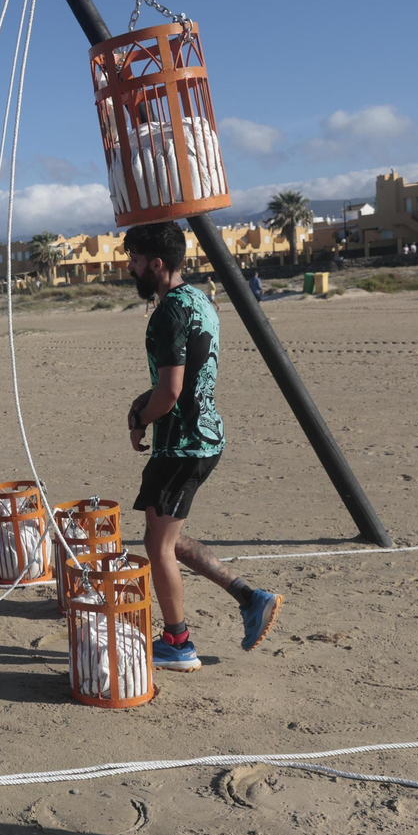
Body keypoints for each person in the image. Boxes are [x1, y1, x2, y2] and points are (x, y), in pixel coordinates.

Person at [122, 221, 282, 673]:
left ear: (156, 264)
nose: (130, 268)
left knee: (157, 545)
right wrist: (144, 402)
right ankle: (251, 598)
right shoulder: (199, 300)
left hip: (182, 446)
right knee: (166, 537)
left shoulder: (169, 312)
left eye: (135, 261)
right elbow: (185, 380)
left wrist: (140, 419)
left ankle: (177, 643)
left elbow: (171, 392)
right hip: (203, 437)